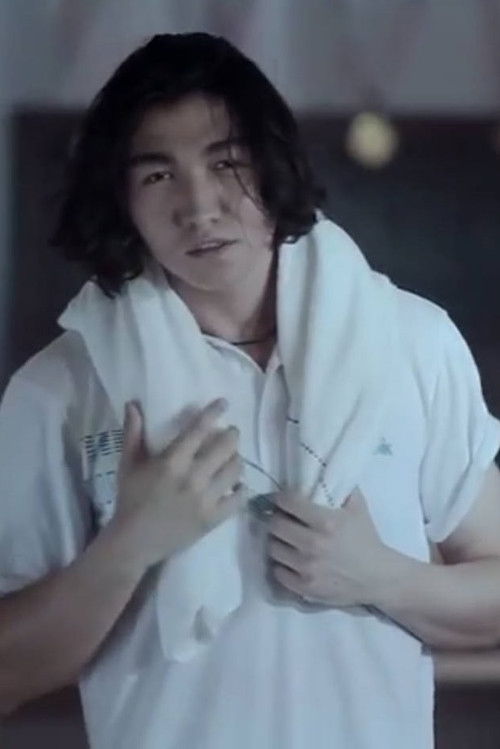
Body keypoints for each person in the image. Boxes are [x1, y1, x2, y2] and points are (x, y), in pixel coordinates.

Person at [1, 31, 500, 749]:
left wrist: (383, 578)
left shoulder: (410, 341)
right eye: (158, 175)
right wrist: (129, 546)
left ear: (273, 166)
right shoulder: (61, 388)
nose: (199, 206)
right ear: (121, 200)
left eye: (226, 163)